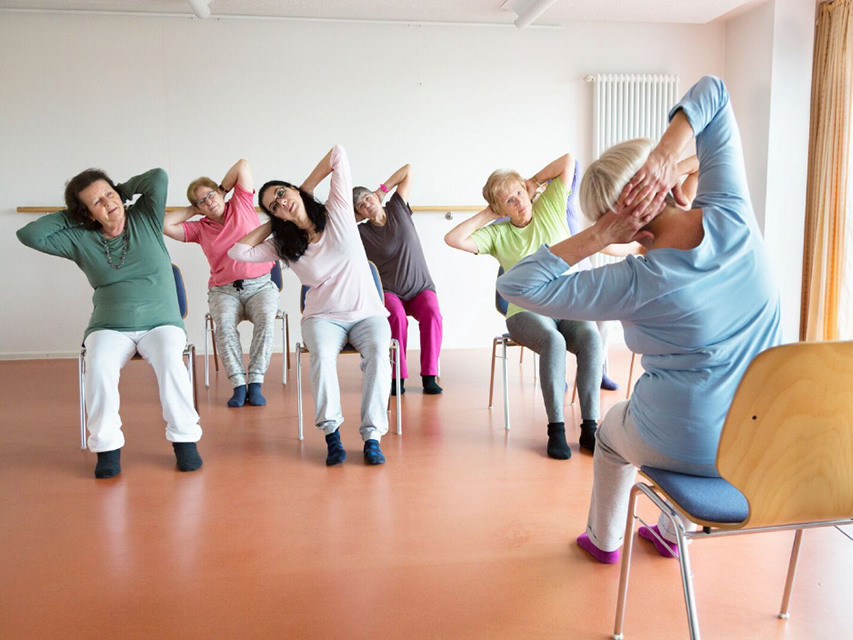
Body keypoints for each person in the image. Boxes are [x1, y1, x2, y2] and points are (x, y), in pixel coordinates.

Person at [497, 76, 781, 562]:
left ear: (619, 224)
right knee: (701, 410)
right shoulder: (733, 215)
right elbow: (714, 91)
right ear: (667, 181)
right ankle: (672, 533)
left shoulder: (634, 281)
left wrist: (599, 235)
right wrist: (667, 152)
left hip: (686, 439)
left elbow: (516, 286)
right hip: (763, 434)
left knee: (610, 434)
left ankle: (604, 542)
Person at [17, 168, 203, 478]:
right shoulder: (80, 239)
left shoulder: (146, 215)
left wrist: (120, 189)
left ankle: (185, 441)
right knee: (99, 365)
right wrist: (71, 215)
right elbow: (28, 234)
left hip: (161, 322)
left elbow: (157, 177)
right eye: (96, 202)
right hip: (109, 326)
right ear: (86, 213)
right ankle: (106, 448)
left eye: (108, 194)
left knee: (172, 362)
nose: (108, 203)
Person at [228, 145, 391, 466]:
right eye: (273, 206)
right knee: (322, 356)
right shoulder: (282, 244)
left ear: (292, 188)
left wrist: (305, 189)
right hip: (322, 319)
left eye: (281, 193)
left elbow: (338, 154)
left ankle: (372, 436)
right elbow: (238, 252)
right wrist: (274, 223)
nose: (281, 202)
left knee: (378, 353)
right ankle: (332, 435)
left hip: (367, 314)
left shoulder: (339, 209)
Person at [445, 153, 604, 460]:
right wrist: (487, 215)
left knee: (591, 339)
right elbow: (453, 238)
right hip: (524, 312)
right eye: (508, 201)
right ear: (499, 209)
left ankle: (589, 428)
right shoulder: (497, 233)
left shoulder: (550, 206)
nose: (518, 202)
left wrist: (532, 182)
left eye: (518, 193)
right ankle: (556, 429)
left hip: (566, 306)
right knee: (553, 342)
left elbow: (567, 161)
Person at [163, 159, 278, 408]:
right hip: (224, 290)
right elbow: (165, 225)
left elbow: (243, 166)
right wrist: (195, 210)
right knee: (224, 326)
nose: (209, 201)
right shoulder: (199, 229)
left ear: (220, 192)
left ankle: (256, 382)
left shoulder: (241, 204)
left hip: (260, 285)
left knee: (267, 319)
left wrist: (224, 192)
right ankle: (238, 384)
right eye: (201, 201)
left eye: (211, 195)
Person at [353, 163, 443, 396]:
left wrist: (381, 191)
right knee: (397, 318)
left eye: (366, 198)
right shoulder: (361, 232)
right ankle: (396, 377)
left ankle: (429, 376)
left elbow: (408, 170)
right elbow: (337, 225)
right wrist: (356, 214)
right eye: (360, 205)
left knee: (432, 313)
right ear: (358, 213)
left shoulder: (397, 208)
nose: (366, 203)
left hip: (421, 287)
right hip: (391, 291)